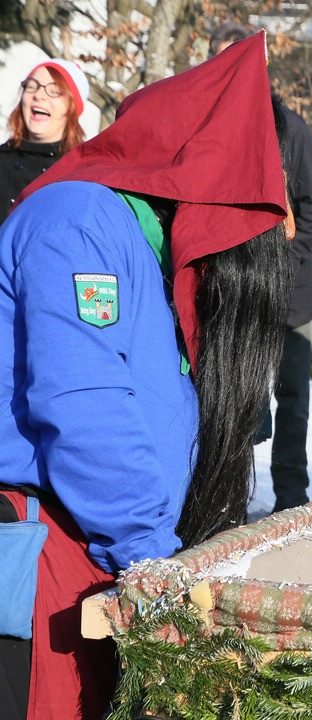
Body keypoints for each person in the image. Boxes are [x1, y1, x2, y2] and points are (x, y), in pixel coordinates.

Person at [0, 34, 293, 720]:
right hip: (43, 554)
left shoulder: (131, 242)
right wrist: (150, 555)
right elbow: (84, 404)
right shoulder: (79, 220)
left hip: (97, 556)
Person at [209, 23, 312, 512]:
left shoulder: (290, 129)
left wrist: (279, 260)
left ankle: (289, 499)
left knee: (292, 400)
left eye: (240, 58)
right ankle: (224, 498)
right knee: (232, 398)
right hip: (226, 292)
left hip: (288, 296)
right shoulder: (204, 130)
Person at [0, 58, 89, 222]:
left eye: (54, 91)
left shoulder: (80, 176)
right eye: (31, 86)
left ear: (72, 107)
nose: (39, 95)